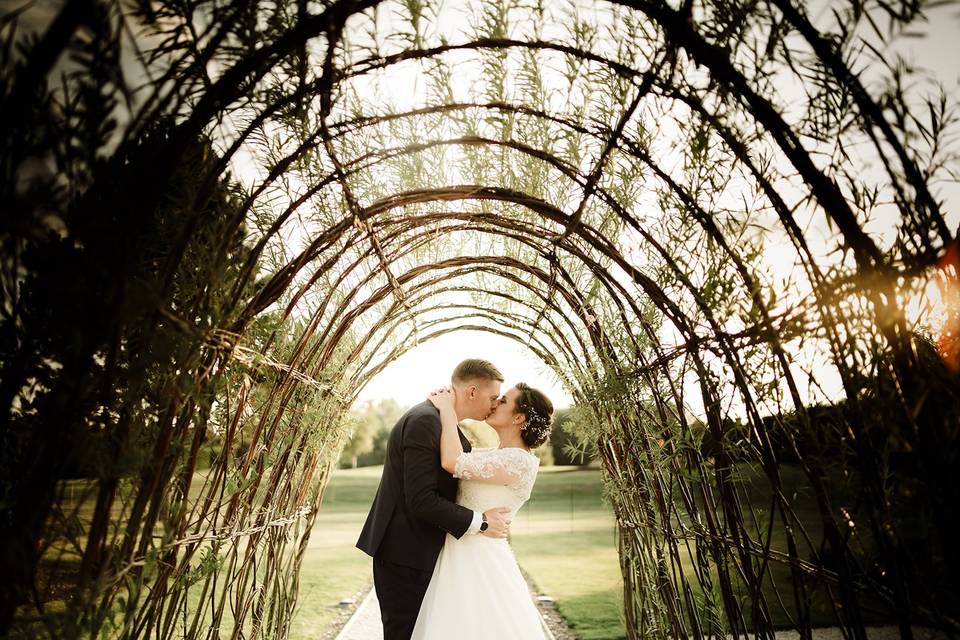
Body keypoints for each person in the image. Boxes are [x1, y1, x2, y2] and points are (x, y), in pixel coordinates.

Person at [356, 359, 513, 640]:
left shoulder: (440, 420)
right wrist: (483, 522)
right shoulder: (424, 422)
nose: (495, 404)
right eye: (492, 397)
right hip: (406, 555)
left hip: (423, 552)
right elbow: (421, 499)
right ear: (472, 392)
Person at [410, 381, 554, 640]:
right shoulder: (493, 453)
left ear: (518, 417)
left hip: (481, 557)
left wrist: (447, 409)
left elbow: (451, 461)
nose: (495, 403)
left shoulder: (519, 461)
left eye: (504, 401)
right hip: (457, 550)